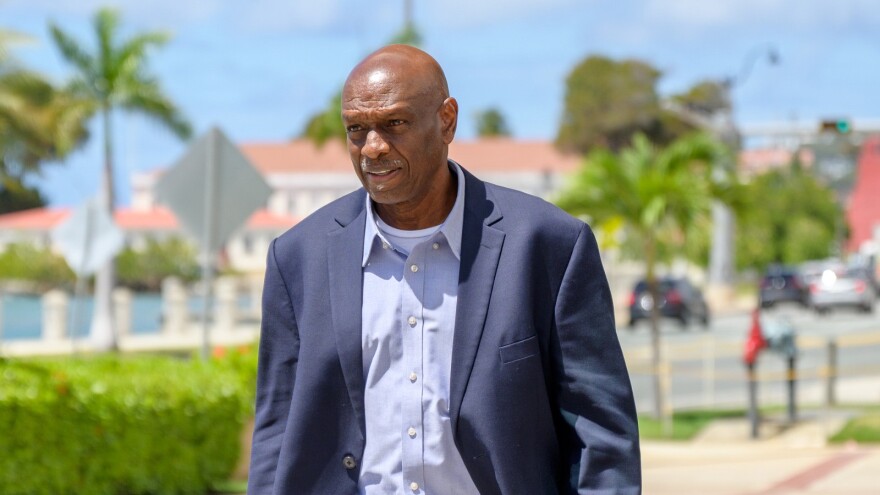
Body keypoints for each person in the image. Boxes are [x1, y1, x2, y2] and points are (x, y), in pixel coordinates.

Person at [248, 44, 641, 495]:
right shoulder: (298, 257)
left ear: (447, 120)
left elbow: (600, 433)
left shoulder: (547, 246)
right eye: (357, 130)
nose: (373, 148)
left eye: (394, 123)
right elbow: (276, 430)